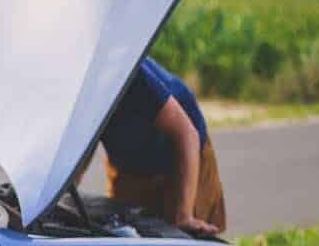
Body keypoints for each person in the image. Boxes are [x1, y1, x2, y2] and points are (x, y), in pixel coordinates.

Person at [96, 56, 226, 236]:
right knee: (123, 234)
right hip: (129, 165)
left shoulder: (129, 74)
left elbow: (187, 135)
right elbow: (79, 149)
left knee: (183, 237)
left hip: (183, 155)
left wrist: (185, 215)